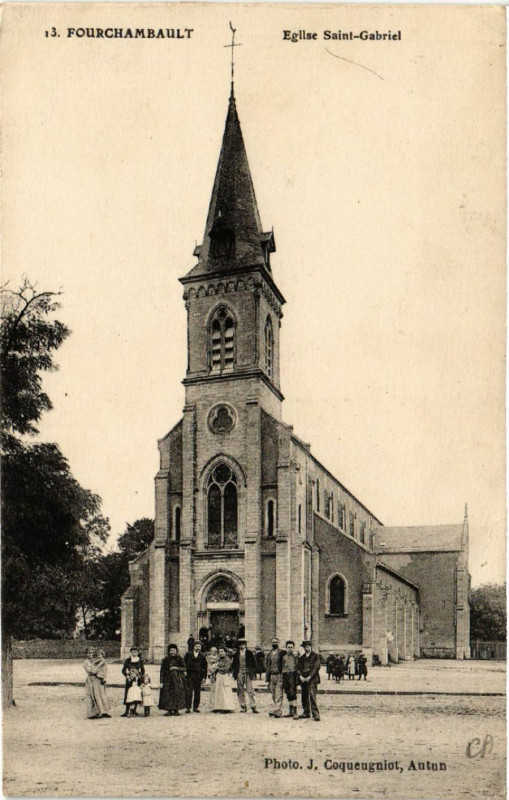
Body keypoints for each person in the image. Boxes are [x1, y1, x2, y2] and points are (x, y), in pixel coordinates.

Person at [295, 640, 321, 722]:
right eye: (305, 647)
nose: (306, 648)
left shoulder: (316, 656)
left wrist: (309, 676)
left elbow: (316, 667)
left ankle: (316, 714)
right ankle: (306, 712)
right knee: (304, 696)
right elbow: (298, 668)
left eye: (308, 647)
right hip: (303, 679)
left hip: (312, 679)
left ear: (310, 647)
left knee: (312, 695)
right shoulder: (302, 658)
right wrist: (300, 676)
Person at [231, 639, 259, 714]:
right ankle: (243, 706)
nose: (242, 646)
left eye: (243, 644)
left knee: (250, 689)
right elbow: (234, 664)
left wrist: (253, 673)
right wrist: (234, 672)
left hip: (248, 673)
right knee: (240, 689)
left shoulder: (249, 653)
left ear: (245, 645)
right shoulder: (236, 654)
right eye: (240, 644)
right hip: (239, 672)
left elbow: (254, 663)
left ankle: (253, 706)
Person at [159, 644, 187, 716]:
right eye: (171, 650)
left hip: (177, 679)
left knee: (177, 694)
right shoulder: (166, 659)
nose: (172, 652)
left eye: (174, 650)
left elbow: (184, 668)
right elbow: (162, 671)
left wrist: (176, 668)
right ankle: (169, 710)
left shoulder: (179, 659)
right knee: (168, 694)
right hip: (167, 679)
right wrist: (161, 681)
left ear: (176, 651)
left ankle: (176, 710)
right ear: (169, 651)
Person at [83, 647, 111, 719]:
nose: (90, 654)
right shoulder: (86, 662)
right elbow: (91, 671)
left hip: (98, 680)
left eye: (91, 653)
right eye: (88, 653)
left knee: (101, 694)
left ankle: (104, 712)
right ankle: (93, 713)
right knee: (92, 695)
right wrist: (99, 669)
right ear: (86, 654)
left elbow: (104, 668)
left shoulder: (96, 660)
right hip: (91, 680)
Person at [209, 645, 235, 712]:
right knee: (219, 692)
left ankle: (226, 708)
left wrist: (218, 668)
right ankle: (218, 707)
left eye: (222, 651)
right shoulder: (219, 660)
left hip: (224, 676)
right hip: (219, 677)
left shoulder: (227, 660)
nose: (220, 653)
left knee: (225, 692)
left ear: (225, 652)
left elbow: (226, 669)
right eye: (219, 651)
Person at [184, 641, 208, 713]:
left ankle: (195, 707)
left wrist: (204, 677)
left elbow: (205, 667)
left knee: (197, 692)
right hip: (189, 676)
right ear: (193, 647)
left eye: (199, 647)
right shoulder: (188, 654)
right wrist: (184, 671)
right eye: (197, 646)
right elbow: (184, 663)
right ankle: (188, 707)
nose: (198, 648)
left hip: (198, 676)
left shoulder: (202, 656)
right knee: (189, 691)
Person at [121, 646, 145, 717]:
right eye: (133, 652)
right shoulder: (127, 660)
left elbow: (143, 670)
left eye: (136, 652)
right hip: (129, 680)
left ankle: (134, 710)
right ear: (131, 652)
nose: (134, 653)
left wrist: (139, 676)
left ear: (138, 653)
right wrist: (127, 675)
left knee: (136, 694)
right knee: (128, 694)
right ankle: (126, 711)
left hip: (137, 680)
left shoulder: (140, 661)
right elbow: (123, 670)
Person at [266, 637, 285, 718]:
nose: (274, 643)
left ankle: (278, 710)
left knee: (279, 693)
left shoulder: (282, 652)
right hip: (271, 675)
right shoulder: (269, 654)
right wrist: (267, 678)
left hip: (279, 675)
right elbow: (267, 665)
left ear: (278, 643)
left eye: (276, 642)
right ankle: (277, 709)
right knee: (273, 694)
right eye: (273, 642)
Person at [282, 640, 299, 718]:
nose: (290, 649)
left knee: (293, 693)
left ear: (294, 648)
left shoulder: (296, 656)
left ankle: (295, 712)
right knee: (288, 693)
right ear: (286, 648)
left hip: (293, 675)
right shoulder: (284, 657)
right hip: (286, 675)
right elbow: (283, 667)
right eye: (288, 647)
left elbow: (298, 666)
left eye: (291, 647)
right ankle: (290, 711)